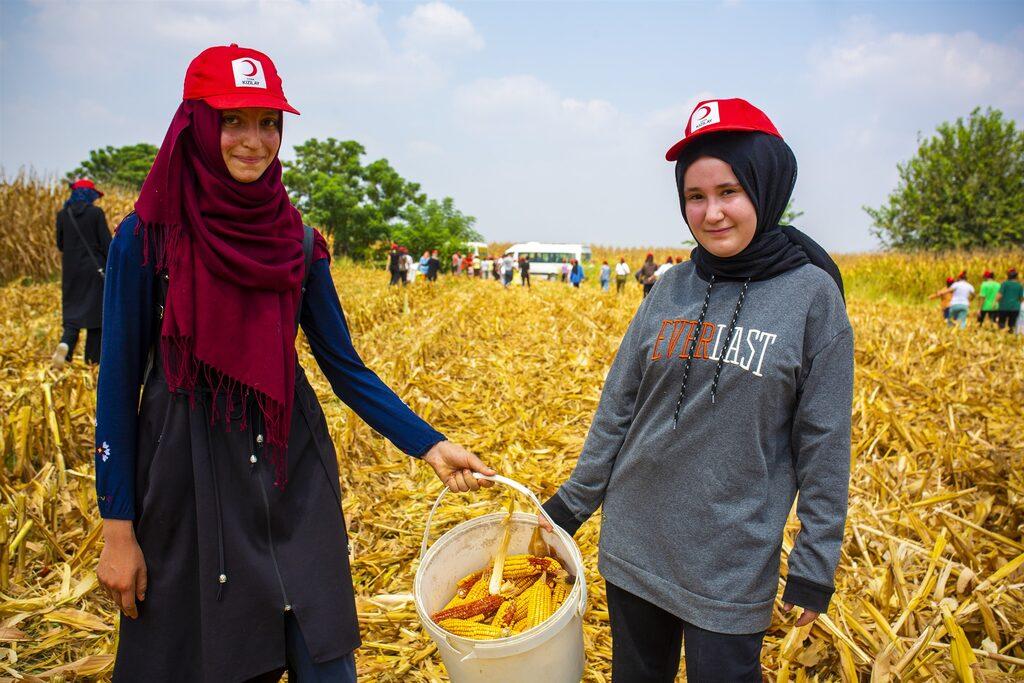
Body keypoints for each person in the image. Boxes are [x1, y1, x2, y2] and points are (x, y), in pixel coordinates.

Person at [93, 44, 495, 683]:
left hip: (291, 469)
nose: (254, 141)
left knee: (323, 652)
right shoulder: (147, 238)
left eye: (269, 122)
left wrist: (429, 444)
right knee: (209, 658)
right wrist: (118, 530)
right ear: (196, 123)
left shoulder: (298, 241)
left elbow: (344, 365)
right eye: (234, 120)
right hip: (188, 476)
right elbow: (115, 386)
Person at [540, 98, 852, 682]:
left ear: (766, 185)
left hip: (729, 563)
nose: (712, 213)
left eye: (729, 191)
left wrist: (816, 560)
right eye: (695, 196)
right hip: (635, 544)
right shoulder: (670, 289)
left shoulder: (813, 299)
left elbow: (825, 440)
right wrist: (571, 504)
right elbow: (619, 407)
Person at [52, 178, 111, 367]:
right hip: (94, 270)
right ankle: (92, 362)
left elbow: (61, 244)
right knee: (95, 317)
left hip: (71, 271)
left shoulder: (63, 214)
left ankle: (65, 346)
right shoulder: (96, 213)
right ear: (90, 195)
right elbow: (106, 243)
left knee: (73, 313)